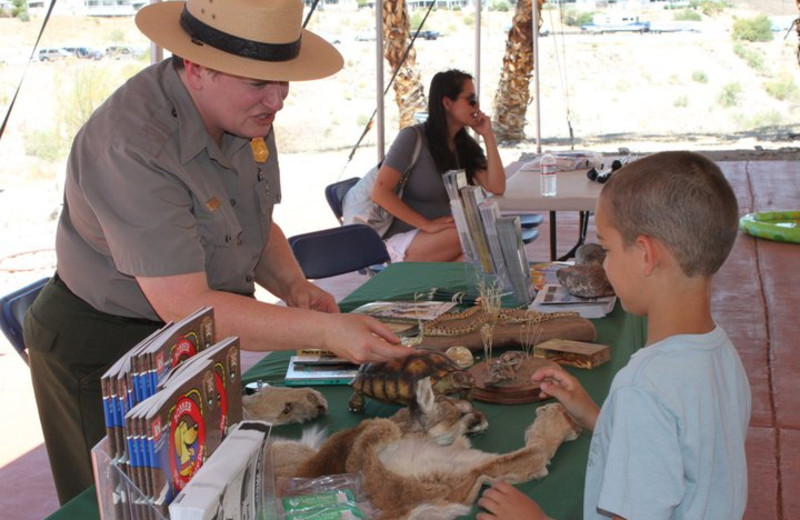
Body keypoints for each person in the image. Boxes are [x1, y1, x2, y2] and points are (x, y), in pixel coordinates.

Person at [23, 0, 409, 505]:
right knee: (122, 505)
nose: (277, 101)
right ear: (197, 65)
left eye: (283, 81)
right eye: (258, 83)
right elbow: (184, 305)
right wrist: (326, 330)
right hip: (104, 349)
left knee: (207, 495)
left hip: (194, 342)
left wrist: (293, 286)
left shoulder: (243, 111)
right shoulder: (133, 144)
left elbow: (250, 217)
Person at [477, 151, 751, 520]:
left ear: (645, 254)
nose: (603, 263)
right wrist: (594, 415)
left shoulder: (644, 387)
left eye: (605, 248)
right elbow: (680, 450)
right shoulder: (721, 354)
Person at [371, 69, 506, 263]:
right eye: (471, 100)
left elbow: (497, 186)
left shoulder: (464, 146)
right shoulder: (412, 137)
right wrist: (427, 225)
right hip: (405, 238)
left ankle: (429, 289)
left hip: (447, 237)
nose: (476, 106)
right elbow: (380, 192)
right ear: (447, 103)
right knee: (476, 236)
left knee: (477, 256)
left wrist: (488, 136)